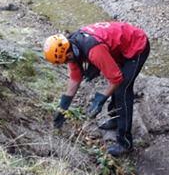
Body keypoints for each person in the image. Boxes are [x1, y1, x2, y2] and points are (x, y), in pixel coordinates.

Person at [43, 21, 150, 157]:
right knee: (117, 86)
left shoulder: (93, 51)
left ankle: (125, 143)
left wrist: (100, 99)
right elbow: (75, 79)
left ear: (68, 54)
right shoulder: (71, 46)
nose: (66, 63)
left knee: (122, 90)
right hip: (119, 47)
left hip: (136, 46)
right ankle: (115, 119)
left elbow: (116, 78)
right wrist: (63, 108)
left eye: (65, 61)